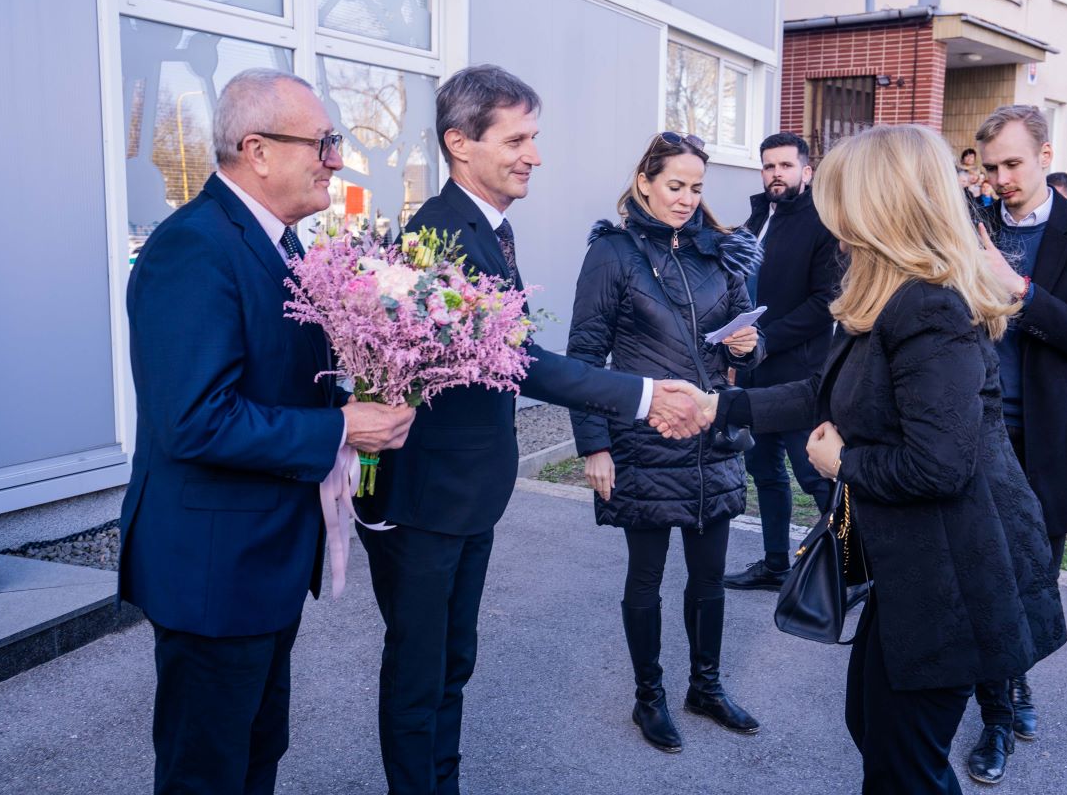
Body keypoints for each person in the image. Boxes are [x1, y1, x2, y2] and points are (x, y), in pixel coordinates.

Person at [659, 123, 1067, 794]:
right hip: (912, 571)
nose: (830, 217)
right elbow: (823, 390)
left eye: (840, 198)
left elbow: (939, 467)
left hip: (953, 578)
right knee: (877, 731)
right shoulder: (891, 298)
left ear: (880, 205)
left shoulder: (931, 310)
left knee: (901, 765)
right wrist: (717, 406)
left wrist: (841, 462)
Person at [353, 66, 709, 795]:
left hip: (464, 495)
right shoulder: (441, 236)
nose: (534, 156)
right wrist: (645, 395)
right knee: (421, 674)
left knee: (451, 663)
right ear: (460, 143)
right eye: (517, 140)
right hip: (427, 500)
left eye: (533, 138)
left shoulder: (486, 228)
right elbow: (521, 363)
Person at [119, 69, 419, 794]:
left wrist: (360, 387)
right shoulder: (194, 247)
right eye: (323, 143)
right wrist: (341, 425)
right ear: (256, 150)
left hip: (260, 563)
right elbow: (195, 420)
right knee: (207, 773)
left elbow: (273, 376)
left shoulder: (279, 244)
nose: (336, 160)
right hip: (214, 570)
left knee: (255, 754)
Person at [565, 131, 764, 754]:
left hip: (712, 438)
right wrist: (595, 445)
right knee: (646, 578)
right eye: (675, 185)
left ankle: (705, 686)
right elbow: (583, 357)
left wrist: (748, 348)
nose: (686, 199)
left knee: (709, 578)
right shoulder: (613, 253)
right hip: (644, 442)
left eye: (696, 188)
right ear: (644, 182)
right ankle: (648, 697)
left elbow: (748, 349)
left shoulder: (719, 253)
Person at [967, 104, 1067, 786]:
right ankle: (997, 716)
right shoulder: (967, 223)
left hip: (1045, 440)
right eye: (991, 167)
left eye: (1013, 163)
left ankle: (1016, 677)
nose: (1001, 178)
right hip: (972, 431)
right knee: (984, 576)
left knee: (1034, 577)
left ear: (1044, 156)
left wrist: (1019, 289)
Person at [723, 132, 840, 592]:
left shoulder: (823, 223)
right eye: (769, 166)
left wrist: (766, 340)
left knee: (816, 476)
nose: (776, 174)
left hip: (800, 376)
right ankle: (776, 565)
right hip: (753, 372)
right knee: (765, 473)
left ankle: (845, 572)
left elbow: (825, 302)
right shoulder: (755, 219)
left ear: (806, 171)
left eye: (786, 166)